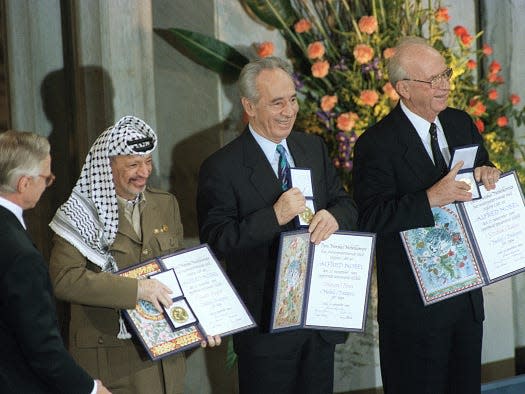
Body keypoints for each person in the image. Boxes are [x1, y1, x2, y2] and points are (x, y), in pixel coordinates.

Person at [197, 57, 358, 394]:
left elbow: (346, 203)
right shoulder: (222, 167)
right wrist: (274, 216)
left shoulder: (311, 147)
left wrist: (335, 217)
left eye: (293, 99)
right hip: (266, 332)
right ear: (249, 106)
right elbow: (216, 241)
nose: (289, 111)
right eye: (277, 102)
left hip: (318, 321)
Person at [352, 36, 501, 393]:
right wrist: (429, 199)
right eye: (433, 80)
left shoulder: (461, 123)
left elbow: (482, 169)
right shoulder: (376, 143)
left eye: (446, 74)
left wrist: (489, 173)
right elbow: (369, 217)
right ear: (403, 88)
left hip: (465, 302)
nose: (445, 86)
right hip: (414, 313)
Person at [48, 116, 220, 394]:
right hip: (114, 366)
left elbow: (178, 274)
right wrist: (137, 289)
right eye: (133, 164)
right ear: (108, 166)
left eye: (148, 162)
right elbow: (64, 279)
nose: (144, 172)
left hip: (166, 365)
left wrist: (202, 321)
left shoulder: (165, 204)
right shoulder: (78, 215)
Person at [0, 130, 110, 394]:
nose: (49, 182)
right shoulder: (21, 256)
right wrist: (90, 389)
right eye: (47, 178)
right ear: (24, 184)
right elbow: (41, 348)